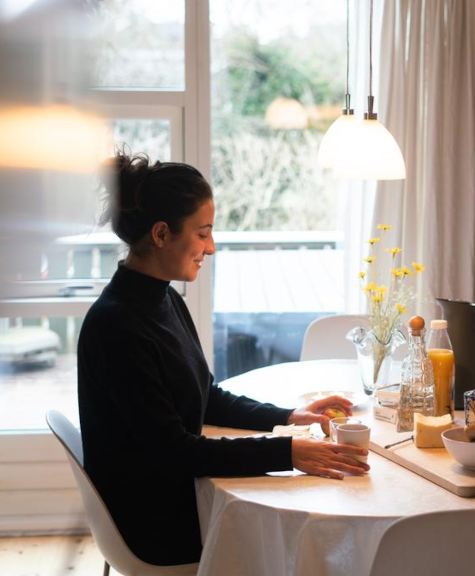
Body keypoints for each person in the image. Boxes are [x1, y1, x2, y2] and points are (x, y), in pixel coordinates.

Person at [78, 151, 369, 566]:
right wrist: (286, 452)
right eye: (203, 233)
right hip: (157, 522)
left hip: (174, 493)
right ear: (161, 234)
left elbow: (206, 395)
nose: (210, 248)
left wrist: (291, 417)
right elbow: (175, 453)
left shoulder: (163, 299)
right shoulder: (115, 327)